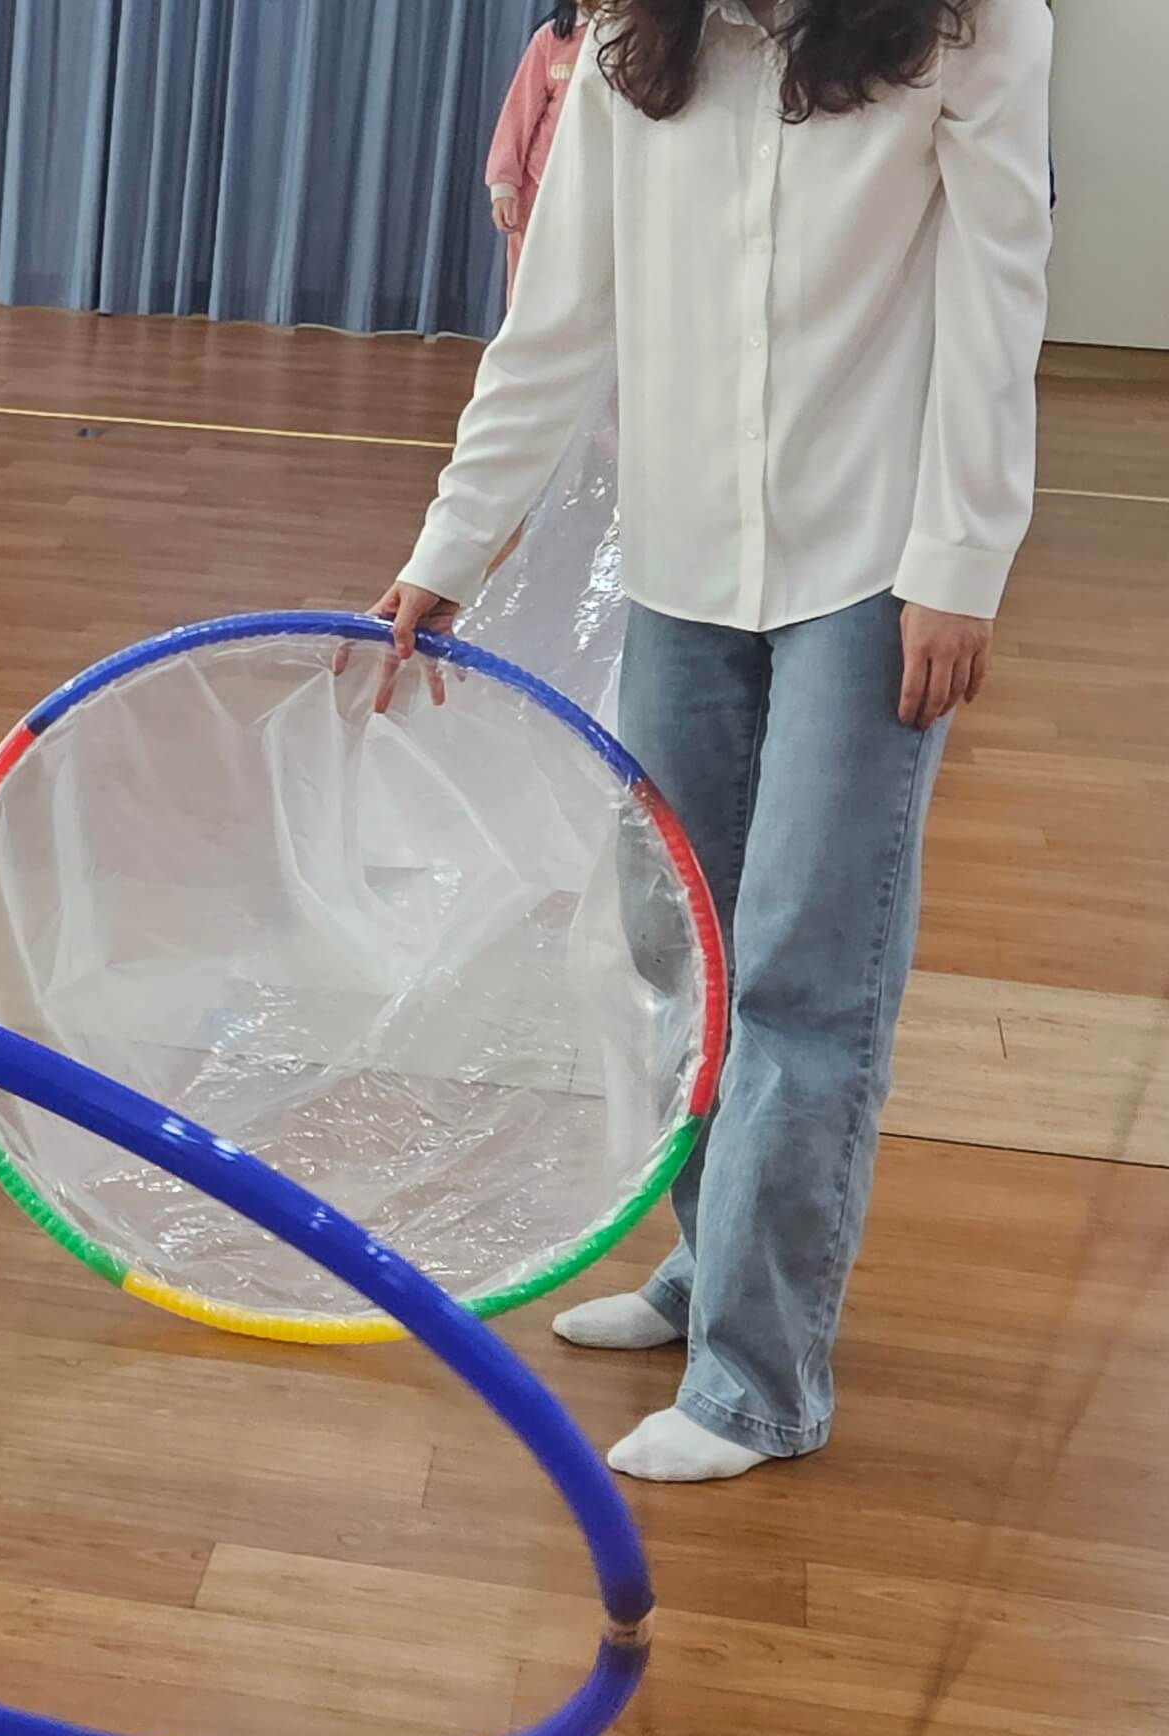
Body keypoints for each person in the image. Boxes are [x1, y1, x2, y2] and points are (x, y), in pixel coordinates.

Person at [375, 0, 1054, 1484]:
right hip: (683, 561)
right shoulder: (641, 36)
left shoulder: (975, 25)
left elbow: (999, 290)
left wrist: (961, 562)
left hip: (872, 567)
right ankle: (708, 1269)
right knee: (679, 948)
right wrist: (452, 543)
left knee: (806, 971)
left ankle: (760, 1379)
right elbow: (559, 312)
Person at [489, 2, 589, 290]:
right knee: (529, 285)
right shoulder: (550, 39)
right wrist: (503, 185)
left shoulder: (627, 41)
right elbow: (517, 116)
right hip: (539, 186)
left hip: (597, 191)